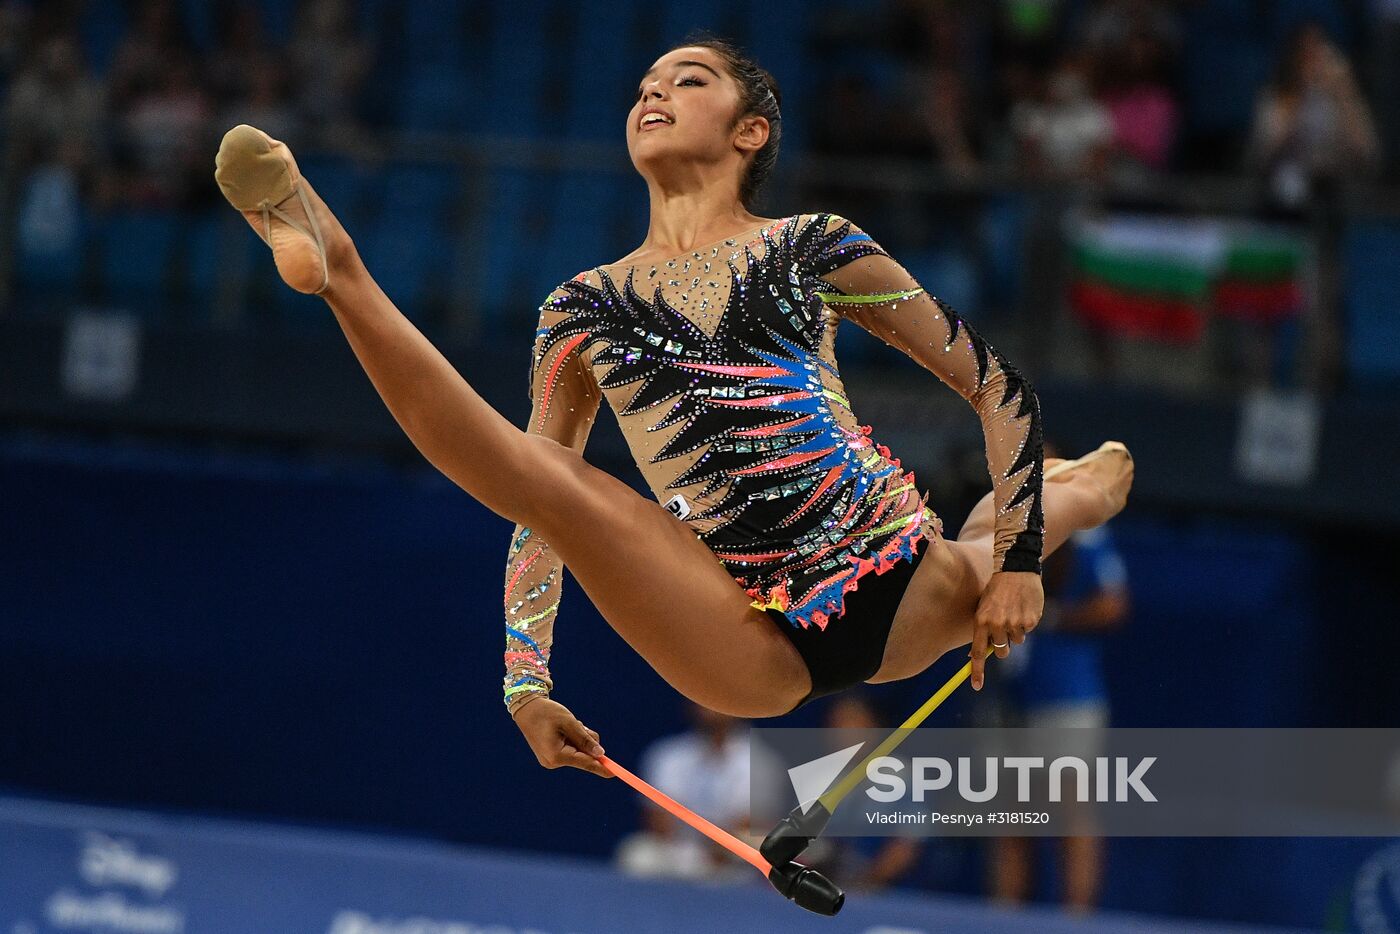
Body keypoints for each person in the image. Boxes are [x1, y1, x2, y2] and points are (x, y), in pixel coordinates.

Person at [212, 36, 1133, 782]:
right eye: (644, 85)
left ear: (751, 133)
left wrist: (1018, 563)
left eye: (687, 81)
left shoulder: (813, 248)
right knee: (552, 484)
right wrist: (524, 685)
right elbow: (536, 517)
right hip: (741, 638)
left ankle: (1081, 493)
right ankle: (341, 270)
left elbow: (996, 385)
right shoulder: (581, 310)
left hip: (895, 579)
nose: (652, 94)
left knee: (993, 548)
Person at [989, 441, 1130, 911]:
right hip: (1011, 694)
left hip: (1066, 695)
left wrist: (1048, 617)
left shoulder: (1085, 529)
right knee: (1009, 812)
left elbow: (1113, 603)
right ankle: (1006, 916)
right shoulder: (995, 521)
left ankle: (1076, 919)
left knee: (1071, 808)